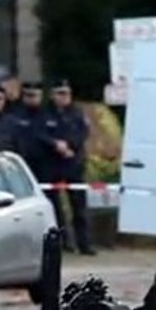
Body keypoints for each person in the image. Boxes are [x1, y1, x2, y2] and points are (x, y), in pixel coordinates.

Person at [41, 78, 95, 255]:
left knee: (79, 206)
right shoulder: (45, 113)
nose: (64, 97)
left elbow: (83, 133)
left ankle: (84, 244)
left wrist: (70, 146)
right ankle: (63, 244)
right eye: (60, 93)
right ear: (53, 95)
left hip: (73, 163)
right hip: (52, 164)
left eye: (66, 94)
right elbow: (39, 134)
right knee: (55, 207)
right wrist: (55, 144)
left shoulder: (77, 113)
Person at [10, 80, 50, 175]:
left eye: (35, 96)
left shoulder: (48, 115)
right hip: (21, 161)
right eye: (29, 96)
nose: (32, 99)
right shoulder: (15, 115)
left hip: (45, 163)